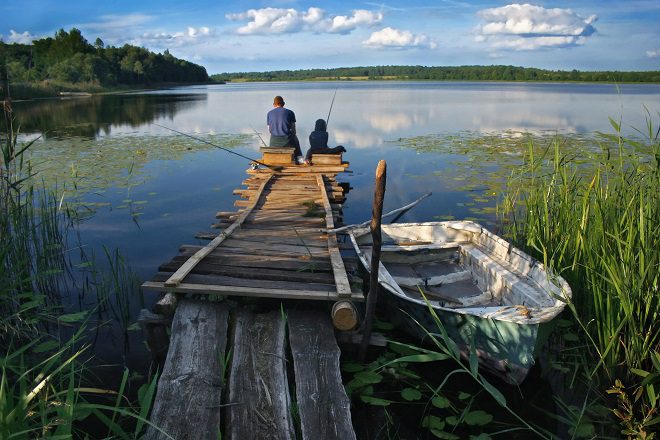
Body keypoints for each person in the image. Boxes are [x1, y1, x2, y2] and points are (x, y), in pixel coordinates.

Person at [266, 95, 303, 164]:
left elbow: (269, 130)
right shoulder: (290, 112)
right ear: (283, 104)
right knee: (295, 139)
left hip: (274, 142)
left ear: (274, 104)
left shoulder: (269, 113)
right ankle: (299, 160)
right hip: (287, 141)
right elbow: (294, 130)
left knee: (272, 137)